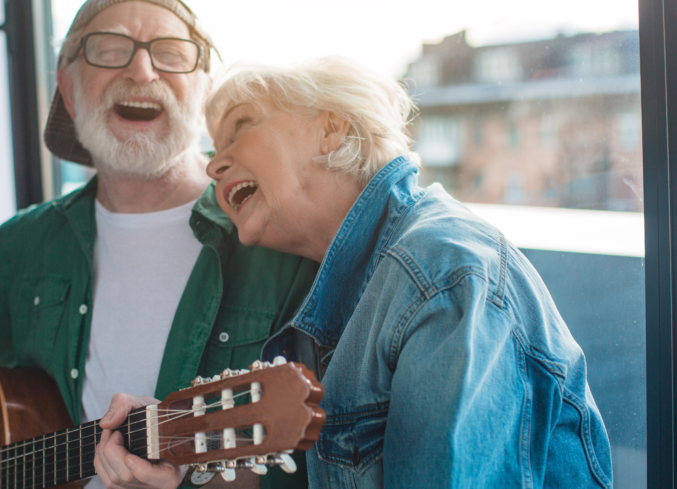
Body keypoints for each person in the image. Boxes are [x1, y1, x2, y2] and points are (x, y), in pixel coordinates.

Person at [0, 2, 317, 489]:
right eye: (109, 51)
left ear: (203, 91)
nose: (142, 70)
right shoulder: (32, 242)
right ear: (68, 91)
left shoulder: (276, 229)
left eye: (172, 54)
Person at [203, 57, 613, 488]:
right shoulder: (370, 278)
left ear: (332, 129)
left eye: (241, 127)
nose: (213, 166)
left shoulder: (441, 274)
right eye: (214, 149)